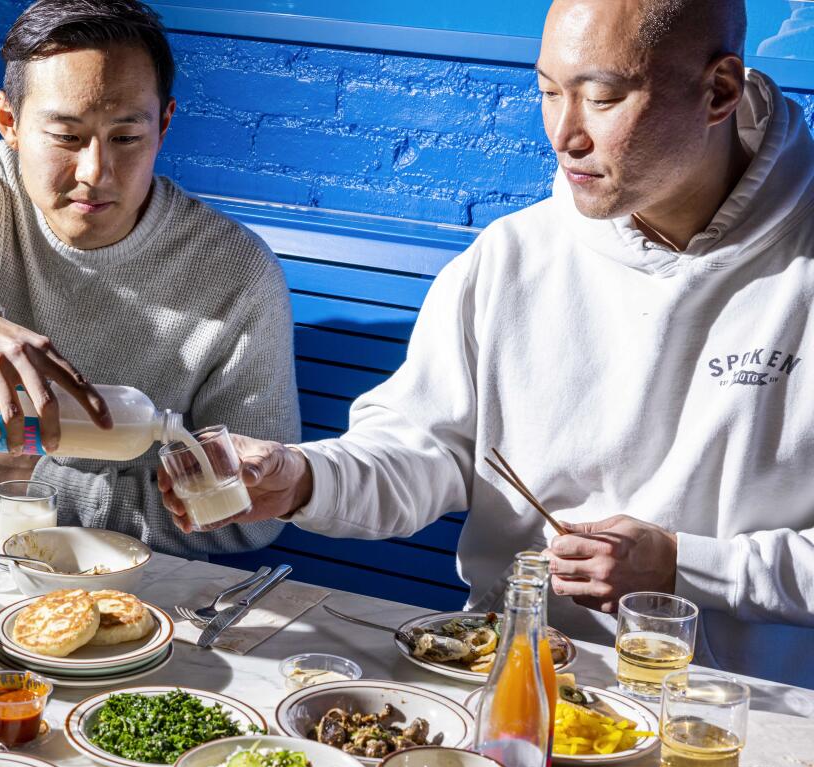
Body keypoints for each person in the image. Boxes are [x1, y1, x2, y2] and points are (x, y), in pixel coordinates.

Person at [161, 0, 814, 687]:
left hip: (741, 715)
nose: (565, 135)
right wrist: (300, 478)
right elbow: (423, 453)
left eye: (602, 97)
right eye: (548, 92)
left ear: (718, 91)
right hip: (509, 678)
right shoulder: (511, 257)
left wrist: (683, 566)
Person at [0, 0, 300, 558]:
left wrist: (40, 488)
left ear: (163, 124)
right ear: (8, 122)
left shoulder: (236, 272)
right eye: (66, 136)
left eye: (126, 138)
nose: (94, 173)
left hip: (129, 578)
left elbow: (246, 517)